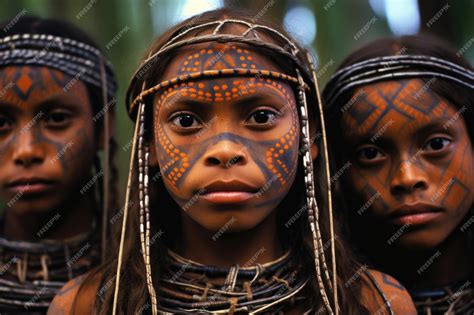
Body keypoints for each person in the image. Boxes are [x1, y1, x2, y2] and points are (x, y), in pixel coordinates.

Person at [49, 8, 415, 314]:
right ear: (150, 147)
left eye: (260, 117)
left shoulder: (376, 302)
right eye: (187, 121)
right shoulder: (83, 305)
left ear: (309, 137)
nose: (225, 150)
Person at [323, 35, 473, 314]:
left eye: (436, 144)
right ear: (336, 168)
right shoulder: (316, 302)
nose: (407, 177)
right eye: (370, 154)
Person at [0, 16, 118, 313]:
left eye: (56, 119)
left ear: (104, 126)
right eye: (1, 123)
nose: (26, 151)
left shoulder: (151, 272)